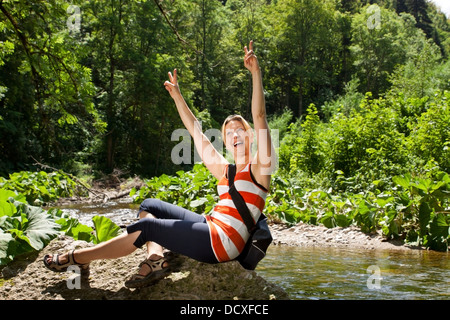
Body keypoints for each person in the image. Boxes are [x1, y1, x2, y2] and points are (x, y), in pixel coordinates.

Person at [43, 40, 276, 288]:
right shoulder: (225, 171)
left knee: (147, 226)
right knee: (149, 205)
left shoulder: (260, 167)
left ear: (250, 136)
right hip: (210, 224)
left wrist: (256, 73)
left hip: (222, 243)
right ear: (226, 143)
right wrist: (177, 96)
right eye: (229, 133)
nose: (235, 135)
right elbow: (196, 131)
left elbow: (260, 116)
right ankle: (155, 259)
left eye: (241, 130)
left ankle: (78, 258)